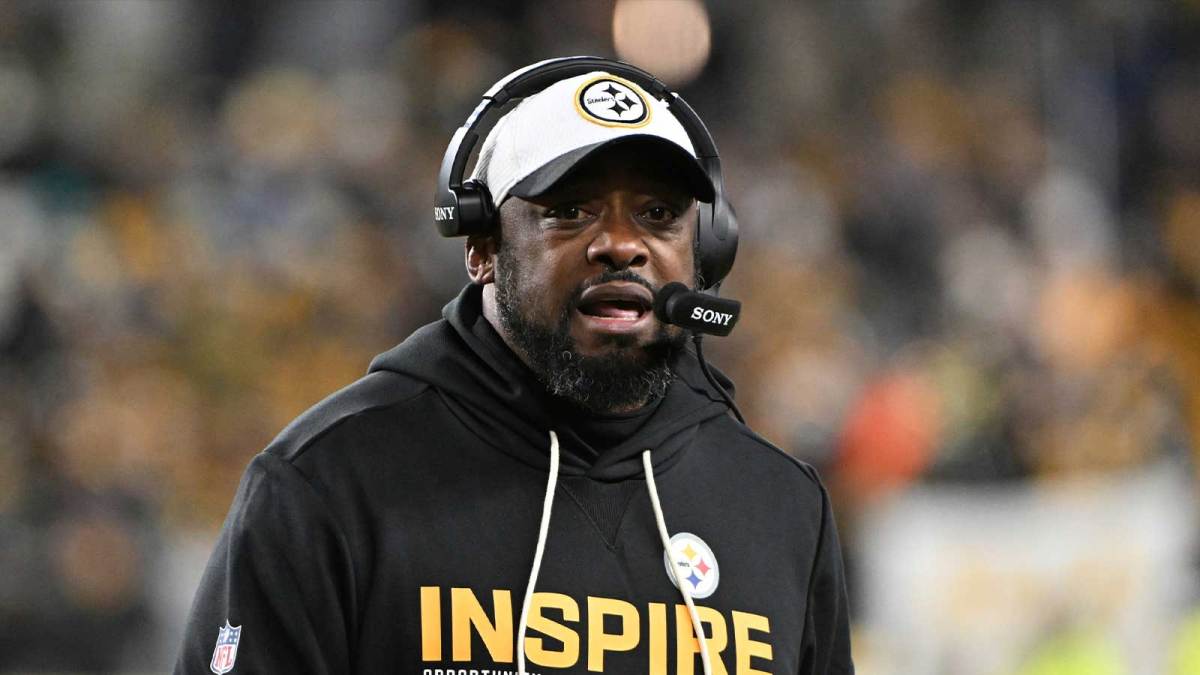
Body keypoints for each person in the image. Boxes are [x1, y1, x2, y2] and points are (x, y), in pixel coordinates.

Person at [176, 58, 854, 675]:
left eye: (657, 214)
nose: (621, 244)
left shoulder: (782, 506)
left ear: (708, 251)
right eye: (569, 210)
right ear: (481, 248)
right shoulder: (327, 483)